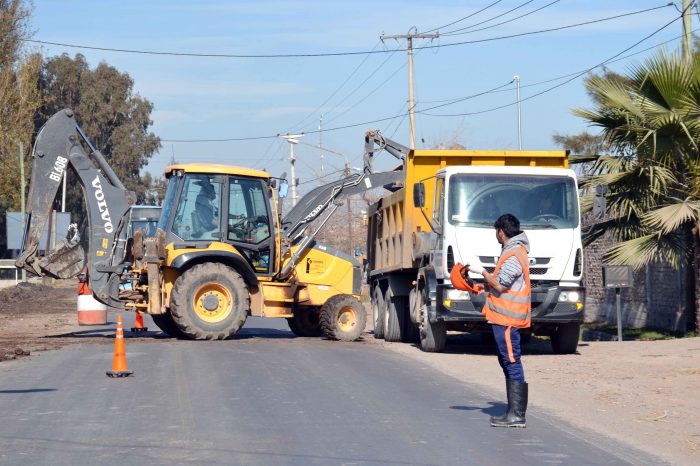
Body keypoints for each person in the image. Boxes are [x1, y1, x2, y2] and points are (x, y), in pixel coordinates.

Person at [451, 213, 531, 428]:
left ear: (501, 232)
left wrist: (482, 271)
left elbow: (502, 284)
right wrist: (480, 286)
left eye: (496, 232)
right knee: (505, 360)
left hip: (508, 318)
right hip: (502, 317)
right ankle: (512, 411)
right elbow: (501, 284)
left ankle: (517, 415)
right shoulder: (510, 251)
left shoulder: (514, 254)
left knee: (511, 361)